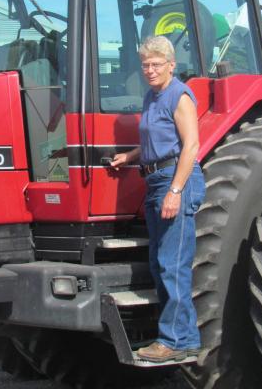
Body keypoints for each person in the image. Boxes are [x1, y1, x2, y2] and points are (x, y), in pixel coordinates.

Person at [110, 36, 205, 363]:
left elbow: (190, 147)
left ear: (171, 65)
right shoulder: (152, 97)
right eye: (145, 65)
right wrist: (132, 155)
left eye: (156, 64)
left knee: (172, 264)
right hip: (155, 179)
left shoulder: (179, 96)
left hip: (175, 180)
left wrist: (176, 192)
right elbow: (160, 141)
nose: (149, 70)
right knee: (160, 263)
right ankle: (187, 338)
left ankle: (173, 341)